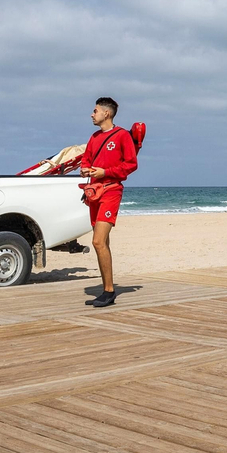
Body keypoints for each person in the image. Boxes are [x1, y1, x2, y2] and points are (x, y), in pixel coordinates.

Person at [78, 96, 137, 308]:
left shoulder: (121, 136)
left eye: (95, 111)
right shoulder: (94, 137)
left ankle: (109, 292)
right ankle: (106, 289)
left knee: (97, 241)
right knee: (103, 243)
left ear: (106, 113)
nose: (92, 114)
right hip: (94, 191)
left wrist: (106, 172)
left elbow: (131, 164)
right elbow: (86, 159)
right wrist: (86, 168)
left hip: (111, 191)